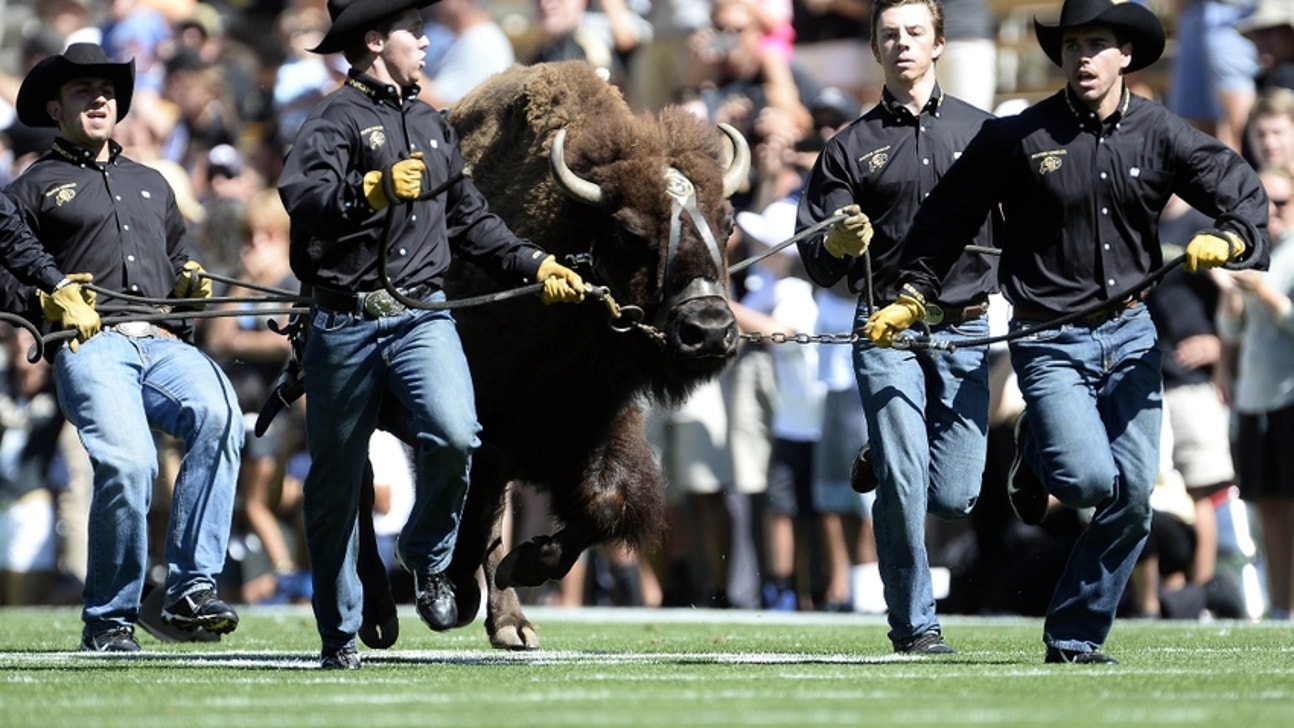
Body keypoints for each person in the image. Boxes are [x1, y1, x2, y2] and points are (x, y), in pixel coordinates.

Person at [863, 0, 1270, 662]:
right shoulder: (1021, 136)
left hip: (1133, 335)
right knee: (1085, 483)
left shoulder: (1161, 132)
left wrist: (1232, 237)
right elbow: (948, 216)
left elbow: (1242, 190)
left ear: (1125, 54)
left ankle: (1075, 635)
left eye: (1097, 43)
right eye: (1073, 45)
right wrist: (913, 295)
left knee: (1133, 500)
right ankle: (1039, 442)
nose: (1083, 57)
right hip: (1050, 339)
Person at [276, 0, 586, 670]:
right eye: (413, 31)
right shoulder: (331, 120)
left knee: (456, 434)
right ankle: (338, 633)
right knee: (335, 482)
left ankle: (425, 555)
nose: (424, 41)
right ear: (374, 41)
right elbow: (303, 201)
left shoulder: (430, 124)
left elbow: (470, 221)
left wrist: (534, 263)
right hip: (346, 320)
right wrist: (371, 190)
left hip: (422, 313)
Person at [0, 42, 245, 651]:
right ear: (55, 108)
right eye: (83, 90)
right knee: (130, 464)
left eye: (107, 91)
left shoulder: (152, 182)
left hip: (160, 341)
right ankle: (109, 617)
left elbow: (177, 261)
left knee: (221, 415)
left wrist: (189, 285)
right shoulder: (33, 186)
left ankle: (191, 587)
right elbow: (4, 272)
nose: (99, 99)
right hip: (92, 345)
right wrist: (44, 303)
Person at [795, 0, 997, 652]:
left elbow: (1026, 232)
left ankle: (884, 452)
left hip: (966, 327)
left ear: (938, 43)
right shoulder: (847, 148)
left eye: (915, 32)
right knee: (905, 480)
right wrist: (837, 242)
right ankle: (915, 626)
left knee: (956, 495)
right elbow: (817, 259)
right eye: (890, 34)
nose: (902, 43)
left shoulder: (987, 134)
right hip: (885, 330)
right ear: (875, 48)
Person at [1215, 166, 1294, 620]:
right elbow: (1231, 330)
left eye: (1282, 202)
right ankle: (1281, 606)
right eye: (1265, 202)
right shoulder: (1255, 251)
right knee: (1269, 507)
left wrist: (1263, 291)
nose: (1273, 211)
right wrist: (1233, 296)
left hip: (1289, 395)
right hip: (1256, 397)